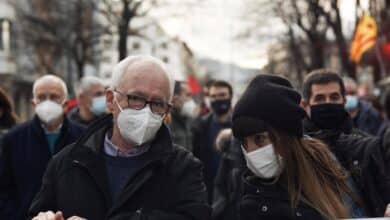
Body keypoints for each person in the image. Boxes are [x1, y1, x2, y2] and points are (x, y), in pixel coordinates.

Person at [29, 55, 210, 220]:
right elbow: (38, 212)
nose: (145, 110)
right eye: (135, 98)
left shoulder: (183, 167)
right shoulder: (67, 162)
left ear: (167, 111)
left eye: (157, 103)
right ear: (110, 100)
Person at [232, 74, 363, 219]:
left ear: (287, 136)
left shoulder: (325, 168)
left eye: (260, 139)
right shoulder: (250, 200)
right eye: (244, 142)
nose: (251, 151)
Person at [301, 69, 390, 217]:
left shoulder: (362, 143)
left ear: (344, 100)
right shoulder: (298, 148)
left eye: (334, 97)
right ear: (305, 105)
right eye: (320, 98)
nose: (327, 103)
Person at [0, 75, 85, 220]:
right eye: (41, 97)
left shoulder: (85, 137)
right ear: (34, 103)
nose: (47, 102)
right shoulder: (13, 139)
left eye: (54, 97)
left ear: (65, 104)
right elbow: (4, 189)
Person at [192, 80, 233, 203]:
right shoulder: (200, 126)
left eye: (222, 95)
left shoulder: (241, 125)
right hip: (208, 190)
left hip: (234, 190)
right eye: (213, 96)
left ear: (230, 96)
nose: (218, 99)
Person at [167, 81, 198, 151]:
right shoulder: (166, 122)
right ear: (175, 98)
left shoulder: (190, 121)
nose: (191, 100)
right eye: (188, 95)